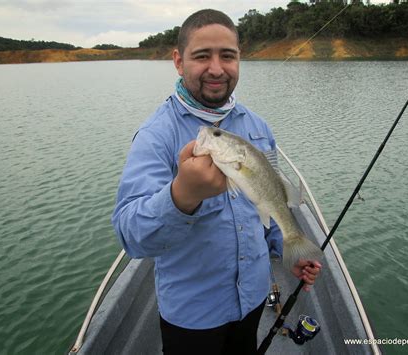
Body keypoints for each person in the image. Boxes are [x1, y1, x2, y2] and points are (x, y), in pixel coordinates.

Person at [112, 9, 322, 355]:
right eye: (201, 56)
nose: (216, 68)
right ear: (179, 62)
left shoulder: (259, 127)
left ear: (240, 59)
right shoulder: (156, 136)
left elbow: (267, 202)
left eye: (227, 56)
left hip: (253, 298)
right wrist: (183, 195)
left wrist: (287, 250)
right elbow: (131, 237)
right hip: (193, 313)